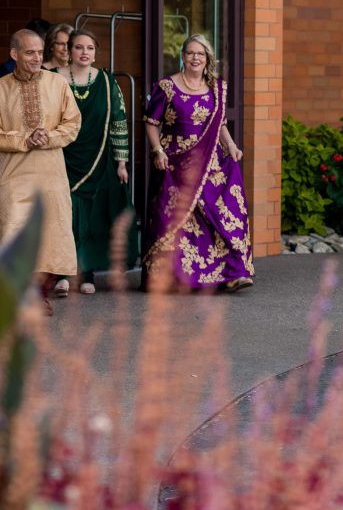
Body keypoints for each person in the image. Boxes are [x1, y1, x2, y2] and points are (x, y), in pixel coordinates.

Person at [141, 34, 254, 292]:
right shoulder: (167, 87)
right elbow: (151, 123)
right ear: (182, 56)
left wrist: (232, 146)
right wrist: (157, 151)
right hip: (175, 162)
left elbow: (220, 124)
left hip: (210, 163)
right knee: (177, 218)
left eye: (200, 54)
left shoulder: (217, 88)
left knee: (223, 213)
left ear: (207, 59)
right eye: (190, 53)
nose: (195, 58)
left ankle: (231, 274)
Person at [0, 29, 81, 315]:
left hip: (51, 173)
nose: (37, 58)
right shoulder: (1, 88)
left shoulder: (57, 83)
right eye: (29, 52)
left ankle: (36, 295)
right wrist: (24, 139)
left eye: (39, 52)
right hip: (13, 174)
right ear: (14, 54)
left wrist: (48, 137)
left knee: (50, 234)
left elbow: (72, 124)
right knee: (12, 231)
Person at [53, 29, 138, 296]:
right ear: (69, 51)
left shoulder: (105, 80)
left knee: (91, 218)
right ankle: (63, 274)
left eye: (90, 48)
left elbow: (119, 121)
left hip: (99, 159)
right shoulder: (54, 79)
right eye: (79, 47)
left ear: (95, 52)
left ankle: (86, 273)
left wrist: (121, 163)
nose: (84, 53)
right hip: (62, 157)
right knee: (66, 215)